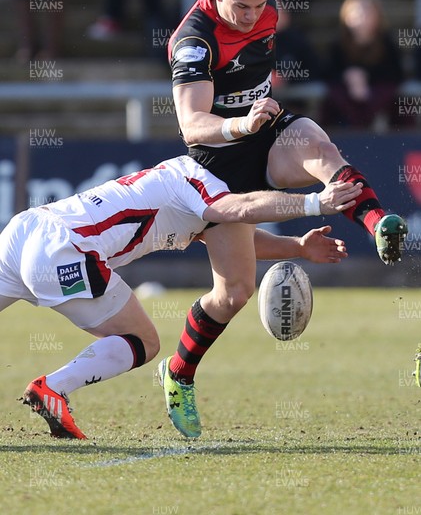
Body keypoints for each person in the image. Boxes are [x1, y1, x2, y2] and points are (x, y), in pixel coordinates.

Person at [159, 0, 408, 439]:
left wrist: (259, 114)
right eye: (242, 8)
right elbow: (192, 125)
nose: (253, 16)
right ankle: (178, 373)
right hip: (218, 161)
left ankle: (379, 223)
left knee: (319, 146)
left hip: (266, 133)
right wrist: (240, 123)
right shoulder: (194, 40)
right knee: (234, 292)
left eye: (260, 6)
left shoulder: (271, 12)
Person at [0, 155, 359, 439]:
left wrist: (296, 246)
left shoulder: (197, 187)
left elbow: (235, 236)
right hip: (66, 251)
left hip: (27, 229)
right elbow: (237, 210)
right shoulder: (203, 181)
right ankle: (54, 388)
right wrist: (315, 202)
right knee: (143, 341)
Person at [319, 0, 407, 131]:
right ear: (346, 16)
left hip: (381, 104)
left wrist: (366, 82)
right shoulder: (337, 45)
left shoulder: (387, 44)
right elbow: (327, 74)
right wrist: (348, 78)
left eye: (368, 13)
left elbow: (396, 75)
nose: (362, 18)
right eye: (357, 13)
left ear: (378, 17)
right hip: (345, 109)